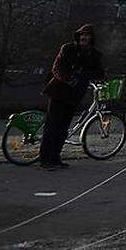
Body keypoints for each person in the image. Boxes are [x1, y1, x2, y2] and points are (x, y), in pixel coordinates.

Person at [39, 24, 104, 170]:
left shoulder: (94, 55)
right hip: (59, 91)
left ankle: (55, 157)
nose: (84, 38)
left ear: (92, 38)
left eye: (87, 35)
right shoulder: (68, 49)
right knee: (52, 126)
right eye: (82, 35)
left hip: (74, 95)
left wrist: (88, 77)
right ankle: (45, 159)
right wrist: (69, 79)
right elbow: (57, 67)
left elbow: (99, 73)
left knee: (63, 127)